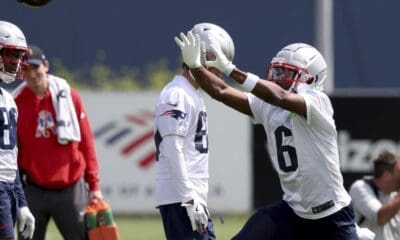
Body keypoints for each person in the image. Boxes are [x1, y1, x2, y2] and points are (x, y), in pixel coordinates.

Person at [174, 31, 375, 240]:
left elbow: (280, 96)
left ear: (310, 79)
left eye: (287, 74)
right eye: (277, 72)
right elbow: (221, 91)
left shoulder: (319, 103)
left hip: (331, 217)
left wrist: (231, 70)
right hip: (292, 213)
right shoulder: (267, 105)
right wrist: (195, 66)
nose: (279, 79)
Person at [12, 45, 103, 240]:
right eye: (25, 69)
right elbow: (13, 152)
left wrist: (94, 187)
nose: (32, 74)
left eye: (35, 67)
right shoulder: (16, 103)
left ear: (46, 66)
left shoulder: (69, 96)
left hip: (70, 188)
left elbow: (86, 144)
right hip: (33, 188)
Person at [154, 22, 234, 240]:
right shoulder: (177, 94)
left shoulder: (190, 93)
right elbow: (171, 148)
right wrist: (189, 198)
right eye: (217, 68)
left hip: (187, 198)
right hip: (182, 200)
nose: (219, 75)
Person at [0, 20, 35, 240]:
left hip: (8, 188)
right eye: (11, 54)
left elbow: (9, 159)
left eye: (20, 56)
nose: (17, 62)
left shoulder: (9, 100)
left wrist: (21, 202)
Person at [349, 151, 400, 240]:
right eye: (399, 171)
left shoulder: (395, 195)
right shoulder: (360, 187)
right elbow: (380, 217)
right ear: (387, 175)